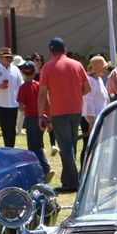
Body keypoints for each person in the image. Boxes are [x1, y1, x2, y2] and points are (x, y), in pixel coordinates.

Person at [37, 37, 91, 192]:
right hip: (76, 110)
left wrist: (41, 116)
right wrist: (74, 94)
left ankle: (73, 182)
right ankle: (67, 180)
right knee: (71, 145)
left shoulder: (47, 67)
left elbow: (42, 94)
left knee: (66, 148)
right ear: (65, 50)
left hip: (59, 111)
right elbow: (87, 88)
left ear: (50, 51)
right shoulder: (77, 65)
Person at [16, 61, 52, 183]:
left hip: (31, 118)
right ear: (34, 72)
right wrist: (48, 119)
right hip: (42, 117)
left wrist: (28, 110)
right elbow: (47, 103)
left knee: (33, 147)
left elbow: (21, 106)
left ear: (23, 73)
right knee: (39, 144)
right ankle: (44, 167)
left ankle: (43, 168)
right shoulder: (39, 85)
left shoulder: (22, 87)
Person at [0, 48, 21, 147]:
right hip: (1, 103)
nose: (8, 59)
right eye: (6, 57)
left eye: (10, 57)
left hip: (13, 103)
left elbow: (20, 85)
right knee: (4, 128)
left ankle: (11, 147)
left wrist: (21, 100)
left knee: (12, 127)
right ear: (0, 58)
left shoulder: (15, 69)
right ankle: (7, 146)